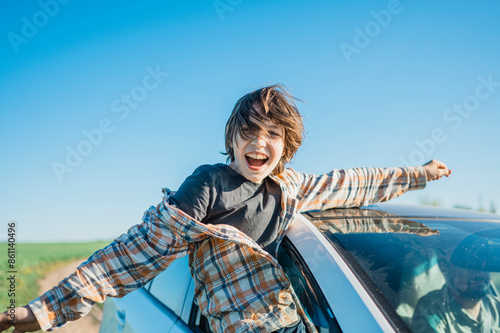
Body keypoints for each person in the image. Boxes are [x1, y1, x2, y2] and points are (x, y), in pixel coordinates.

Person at [0, 84, 452, 333]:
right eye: (250, 131)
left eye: (273, 134)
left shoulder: (288, 186)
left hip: (292, 322)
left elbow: (353, 184)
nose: (259, 142)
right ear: (232, 139)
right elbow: (137, 252)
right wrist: (43, 311)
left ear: (287, 148)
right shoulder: (208, 185)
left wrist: (422, 174)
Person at [411, 263, 500, 332]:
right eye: (470, 266)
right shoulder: (432, 308)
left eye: (485, 265)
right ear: (447, 269)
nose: (480, 273)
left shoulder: (496, 306)